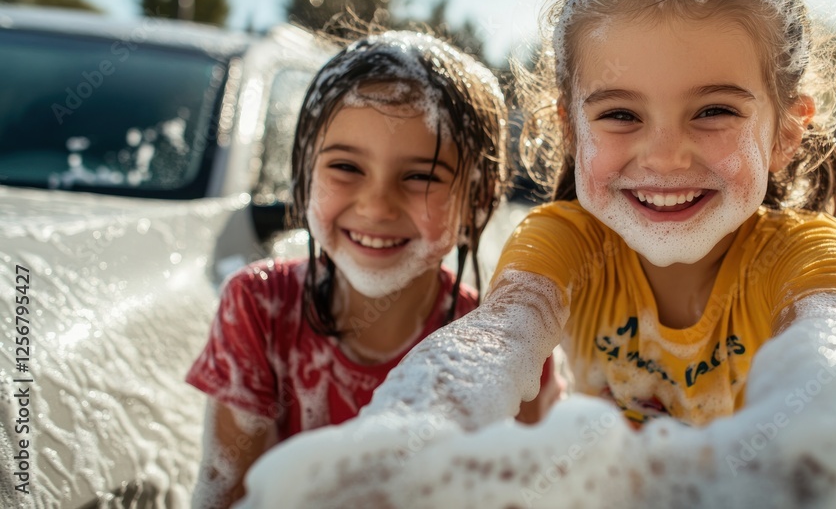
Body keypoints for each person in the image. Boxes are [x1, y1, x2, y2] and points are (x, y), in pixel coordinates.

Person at [234, 0, 836, 507]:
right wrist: (394, 444)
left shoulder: (808, 256)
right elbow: (489, 344)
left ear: (788, 129)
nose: (665, 152)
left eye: (715, 110)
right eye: (621, 114)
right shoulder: (566, 244)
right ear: (569, 127)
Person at [184, 29, 560, 507]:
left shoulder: (511, 353)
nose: (377, 205)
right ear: (304, 176)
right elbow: (223, 493)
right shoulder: (259, 308)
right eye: (346, 167)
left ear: (478, 202)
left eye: (421, 176)